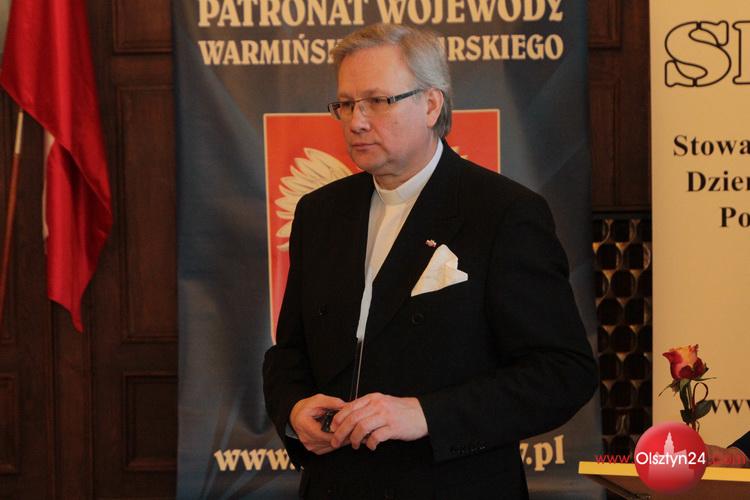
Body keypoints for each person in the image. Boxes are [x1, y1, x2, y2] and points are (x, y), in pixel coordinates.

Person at [263, 23, 597, 499]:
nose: (356, 122)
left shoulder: (502, 212)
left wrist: (426, 414)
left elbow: (563, 373)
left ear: (431, 104)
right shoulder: (320, 213)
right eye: (346, 104)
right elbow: (288, 352)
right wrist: (294, 409)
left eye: (377, 101)